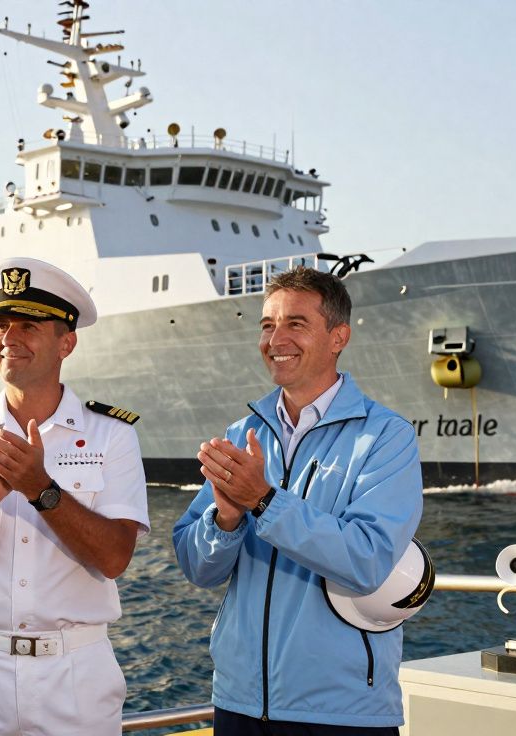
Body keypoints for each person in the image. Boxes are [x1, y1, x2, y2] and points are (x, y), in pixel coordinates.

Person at [0, 257, 150, 736]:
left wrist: (42, 490)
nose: (9, 337)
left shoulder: (111, 435)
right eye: (1, 324)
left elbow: (115, 557)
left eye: (29, 326)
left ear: (67, 342)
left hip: (74, 675)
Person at [173, 266, 423, 735]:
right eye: (267, 325)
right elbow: (199, 569)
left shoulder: (386, 437)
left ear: (338, 337)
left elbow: (367, 560)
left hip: (342, 714)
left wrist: (264, 501)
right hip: (238, 704)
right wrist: (224, 519)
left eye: (296, 324)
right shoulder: (241, 433)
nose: (275, 338)